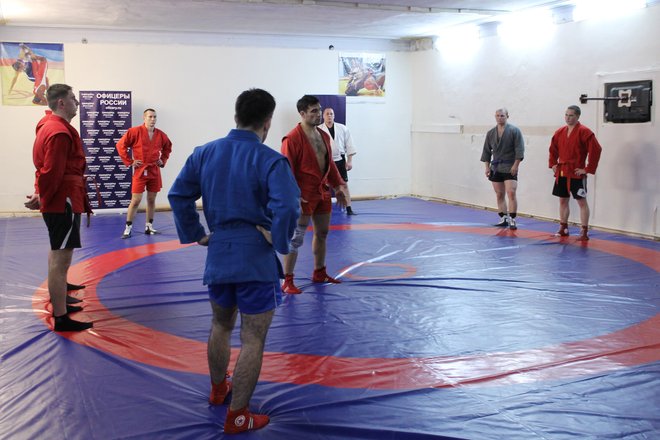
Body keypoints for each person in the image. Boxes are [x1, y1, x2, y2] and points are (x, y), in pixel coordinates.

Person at [168, 89, 300, 434]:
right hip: (255, 256)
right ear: (267, 122)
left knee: (220, 325)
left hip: (220, 253)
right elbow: (288, 206)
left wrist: (196, 233)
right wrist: (279, 240)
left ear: (236, 116)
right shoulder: (271, 160)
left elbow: (178, 195)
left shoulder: (205, 153)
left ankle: (218, 389)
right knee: (253, 337)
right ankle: (238, 414)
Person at [28, 83, 93, 332]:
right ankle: (61, 316)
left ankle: (60, 297)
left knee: (58, 251)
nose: (77, 103)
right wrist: (42, 196)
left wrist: (41, 193)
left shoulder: (49, 125)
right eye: (74, 99)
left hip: (62, 196)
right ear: (62, 103)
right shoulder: (58, 132)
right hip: (62, 199)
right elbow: (51, 172)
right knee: (61, 256)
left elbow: (47, 169)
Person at [280, 95, 347, 294]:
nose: (319, 114)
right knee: (296, 238)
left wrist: (338, 187)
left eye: (319, 109)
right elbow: (286, 170)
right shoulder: (292, 139)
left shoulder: (324, 135)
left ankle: (319, 272)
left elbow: (330, 164)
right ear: (302, 114)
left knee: (322, 233)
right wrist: (293, 195)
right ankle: (287, 280)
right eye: (314, 111)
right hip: (303, 194)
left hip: (322, 192)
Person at [116, 108, 172, 238]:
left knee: (151, 199)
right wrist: (130, 161)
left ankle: (149, 226)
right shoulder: (134, 131)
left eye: (154, 117)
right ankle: (128, 228)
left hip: (154, 170)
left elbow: (168, 148)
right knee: (136, 200)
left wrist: (162, 160)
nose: (153, 119)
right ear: (144, 118)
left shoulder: (161, 135)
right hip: (140, 170)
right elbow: (120, 145)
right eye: (150, 117)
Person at [549, 105, 602, 241]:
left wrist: (587, 169)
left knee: (581, 202)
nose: (568, 118)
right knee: (562, 201)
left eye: (571, 115)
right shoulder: (560, 131)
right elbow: (553, 149)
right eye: (566, 115)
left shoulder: (584, 131)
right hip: (562, 172)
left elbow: (596, 149)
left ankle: (584, 230)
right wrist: (553, 163)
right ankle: (563, 227)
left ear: (578, 116)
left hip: (576, 173)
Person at [480, 108, 525, 230]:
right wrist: (487, 167)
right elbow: (486, 151)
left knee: (511, 192)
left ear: (507, 116)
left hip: (510, 166)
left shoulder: (514, 131)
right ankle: (503, 217)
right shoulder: (491, 133)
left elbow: (519, 150)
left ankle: (512, 218)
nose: (500, 118)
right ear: (495, 117)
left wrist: (516, 165)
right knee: (499, 194)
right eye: (497, 116)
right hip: (496, 167)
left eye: (502, 116)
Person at [318, 107, 357, 215]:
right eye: (327, 114)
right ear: (323, 116)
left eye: (331, 114)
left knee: (344, 185)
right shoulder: (318, 129)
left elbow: (349, 145)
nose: (329, 116)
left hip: (340, 159)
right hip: (326, 161)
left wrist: (349, 161)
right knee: (324, 185)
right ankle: (322, 209)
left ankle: (349, 208)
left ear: (334, 115)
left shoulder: (343, 128)